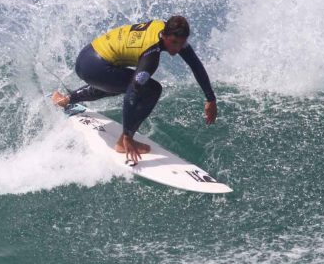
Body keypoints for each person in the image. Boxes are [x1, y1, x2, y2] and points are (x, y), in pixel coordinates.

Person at [52, 16, 217, 164]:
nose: (177, 48)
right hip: (94, 67)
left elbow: (196, 65)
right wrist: (127, 135)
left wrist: (211, 99)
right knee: (152, 89)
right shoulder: (151, 56)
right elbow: (132, 94)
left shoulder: (163, 27)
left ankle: (66, 99)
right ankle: (122, 143)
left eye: (181, 43)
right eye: (174, 43)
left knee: (116, 83)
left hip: (88, 55)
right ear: (165, 36)